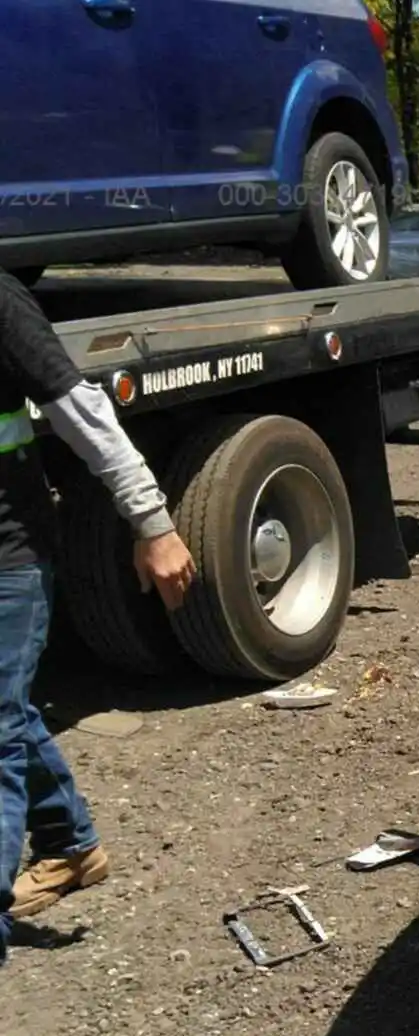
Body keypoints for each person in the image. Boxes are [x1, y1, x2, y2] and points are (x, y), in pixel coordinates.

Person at [1, 272, 196, 963]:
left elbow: (82, 411)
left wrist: (154, 523)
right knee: (9, 711)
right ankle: (71, 844)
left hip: (9, 553)